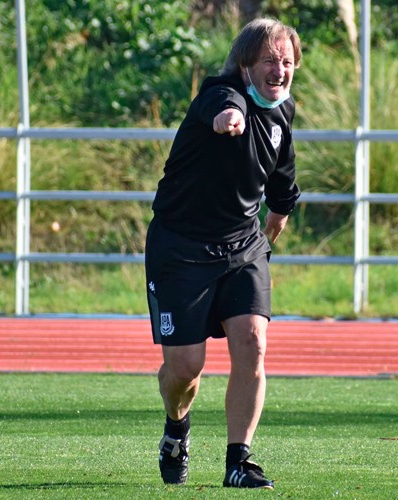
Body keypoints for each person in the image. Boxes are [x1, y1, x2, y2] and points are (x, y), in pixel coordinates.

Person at [144, 18, 302, 489]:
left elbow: (282, 170)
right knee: (185, 369)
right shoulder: (219, 94)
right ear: (245, 64)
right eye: (270, 61)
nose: (279, 70)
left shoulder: (282, 109)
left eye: (287, 61)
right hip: (181, 247)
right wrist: (226, 120)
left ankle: (240, 460)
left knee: (253, 343)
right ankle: (176, 428)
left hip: (242, 245)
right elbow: (224, 107)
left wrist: (282, 208)